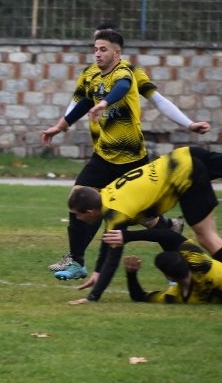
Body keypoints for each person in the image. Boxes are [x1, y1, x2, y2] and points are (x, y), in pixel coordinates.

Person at [66, 128, 222, 305]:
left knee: (207, 236)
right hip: (183, 155)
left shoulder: (116, 213)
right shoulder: (108, 194)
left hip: (185, 174)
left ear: (90, 211)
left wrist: (93, 297)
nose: (77, 220)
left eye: (78, 216)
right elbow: (111, 242)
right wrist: (98, 272)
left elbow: (113, 254)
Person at [41, 27, 211, 283]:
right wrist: (60, 126)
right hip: (103, 157)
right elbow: (80, 103)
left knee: (149, 220)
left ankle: (182, 267)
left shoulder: (128, 73)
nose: (97, 54)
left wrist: (188, 124)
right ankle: (76, 262)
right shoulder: (89, 75)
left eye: (103, 49)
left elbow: (151, 98)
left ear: (117, 52)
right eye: (95, 48)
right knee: (78, 201)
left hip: (133, 160)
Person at [103, 224, 222, 304]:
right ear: (186, 260)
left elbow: (140, 297)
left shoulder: (177, 297)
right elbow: (168, 235)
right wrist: (128, 236)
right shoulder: (200, 263)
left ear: (169, 277)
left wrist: (131, 274)